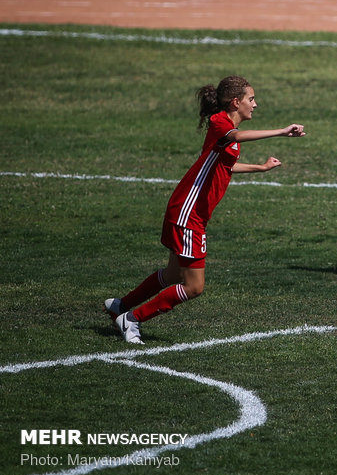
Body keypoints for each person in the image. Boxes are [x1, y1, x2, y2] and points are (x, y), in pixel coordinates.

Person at [104, 76, 305, 344]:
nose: (255, 104)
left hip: (185, 209)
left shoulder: (226, 130)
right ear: (236, 102)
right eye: (251, 99)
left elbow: (225, 165)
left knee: (174, 275)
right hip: (189, 214)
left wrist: (261, 167)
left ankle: (121, 305)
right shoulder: (221, 123)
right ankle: (131, 319)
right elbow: (237, 137)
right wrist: (281, 131)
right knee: (194, 286)